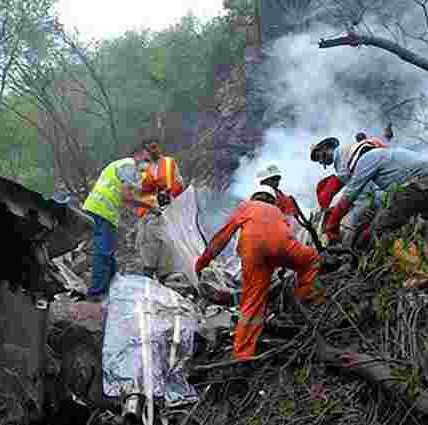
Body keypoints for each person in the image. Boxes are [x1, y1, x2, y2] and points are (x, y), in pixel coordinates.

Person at [194, 186, 328, 359]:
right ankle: (303, 303)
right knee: (312, 260)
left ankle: (242, 354)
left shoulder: (246, 206)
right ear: (272, 200)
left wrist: (202, 262)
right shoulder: (278, 212)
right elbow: (284, 237)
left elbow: (222, 237)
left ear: (255, 196)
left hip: (253, 252)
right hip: (282, 248)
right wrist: (284, 264)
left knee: (252, 303)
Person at [82, 146, 160, 301]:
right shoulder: (128, 165)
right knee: (103, 252)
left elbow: (130, 195)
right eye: (145, 160)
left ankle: (111, 287)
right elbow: (127, 197)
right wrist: (150, 206)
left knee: (108, 253)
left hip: (101, 210)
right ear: (136, 156)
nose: (146, 165)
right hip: (102, 210)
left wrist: (147, 201)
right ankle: (95, 294)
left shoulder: (123, 166)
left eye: (149, 162)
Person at [325, 144, 428, 244]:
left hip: (421, 188)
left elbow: (350, 194)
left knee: (375, 234)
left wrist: (332, 223)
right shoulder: (387, 155)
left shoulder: (367, 159)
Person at [311, 137, 388, 246]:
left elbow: (362, 192)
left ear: (325, 148)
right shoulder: (346, 152)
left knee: (351, 231)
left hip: (380, 194)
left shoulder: (343, 159)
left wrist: (337, 220)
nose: (321, 161)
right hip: (384, 189)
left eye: (319, 156)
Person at [135, 138, 184, 281]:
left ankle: (163, 283)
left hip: (166, 212)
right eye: (149, 148)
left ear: (159, 147)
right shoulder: (142, 168)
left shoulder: (169, 163)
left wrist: (170, 194)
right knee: (148, 250)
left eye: (154, 147)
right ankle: (148, 283)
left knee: (165, 250)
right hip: (148, 214)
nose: (152, 150)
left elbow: (179, 182)